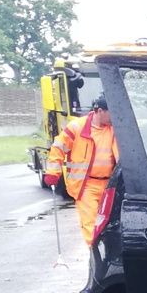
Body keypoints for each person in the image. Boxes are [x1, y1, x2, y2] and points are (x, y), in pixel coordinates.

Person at [42, 96, 118, 245]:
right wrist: (53, 172)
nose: (113, 117)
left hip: (110, 184)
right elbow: (58, 147)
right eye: (111, 113)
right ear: (100, 111)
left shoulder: (114, 129)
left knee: (109, 224)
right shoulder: (77, 127)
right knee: (90, 223)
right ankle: (95, 255)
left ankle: (106, 253)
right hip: (86, 185)